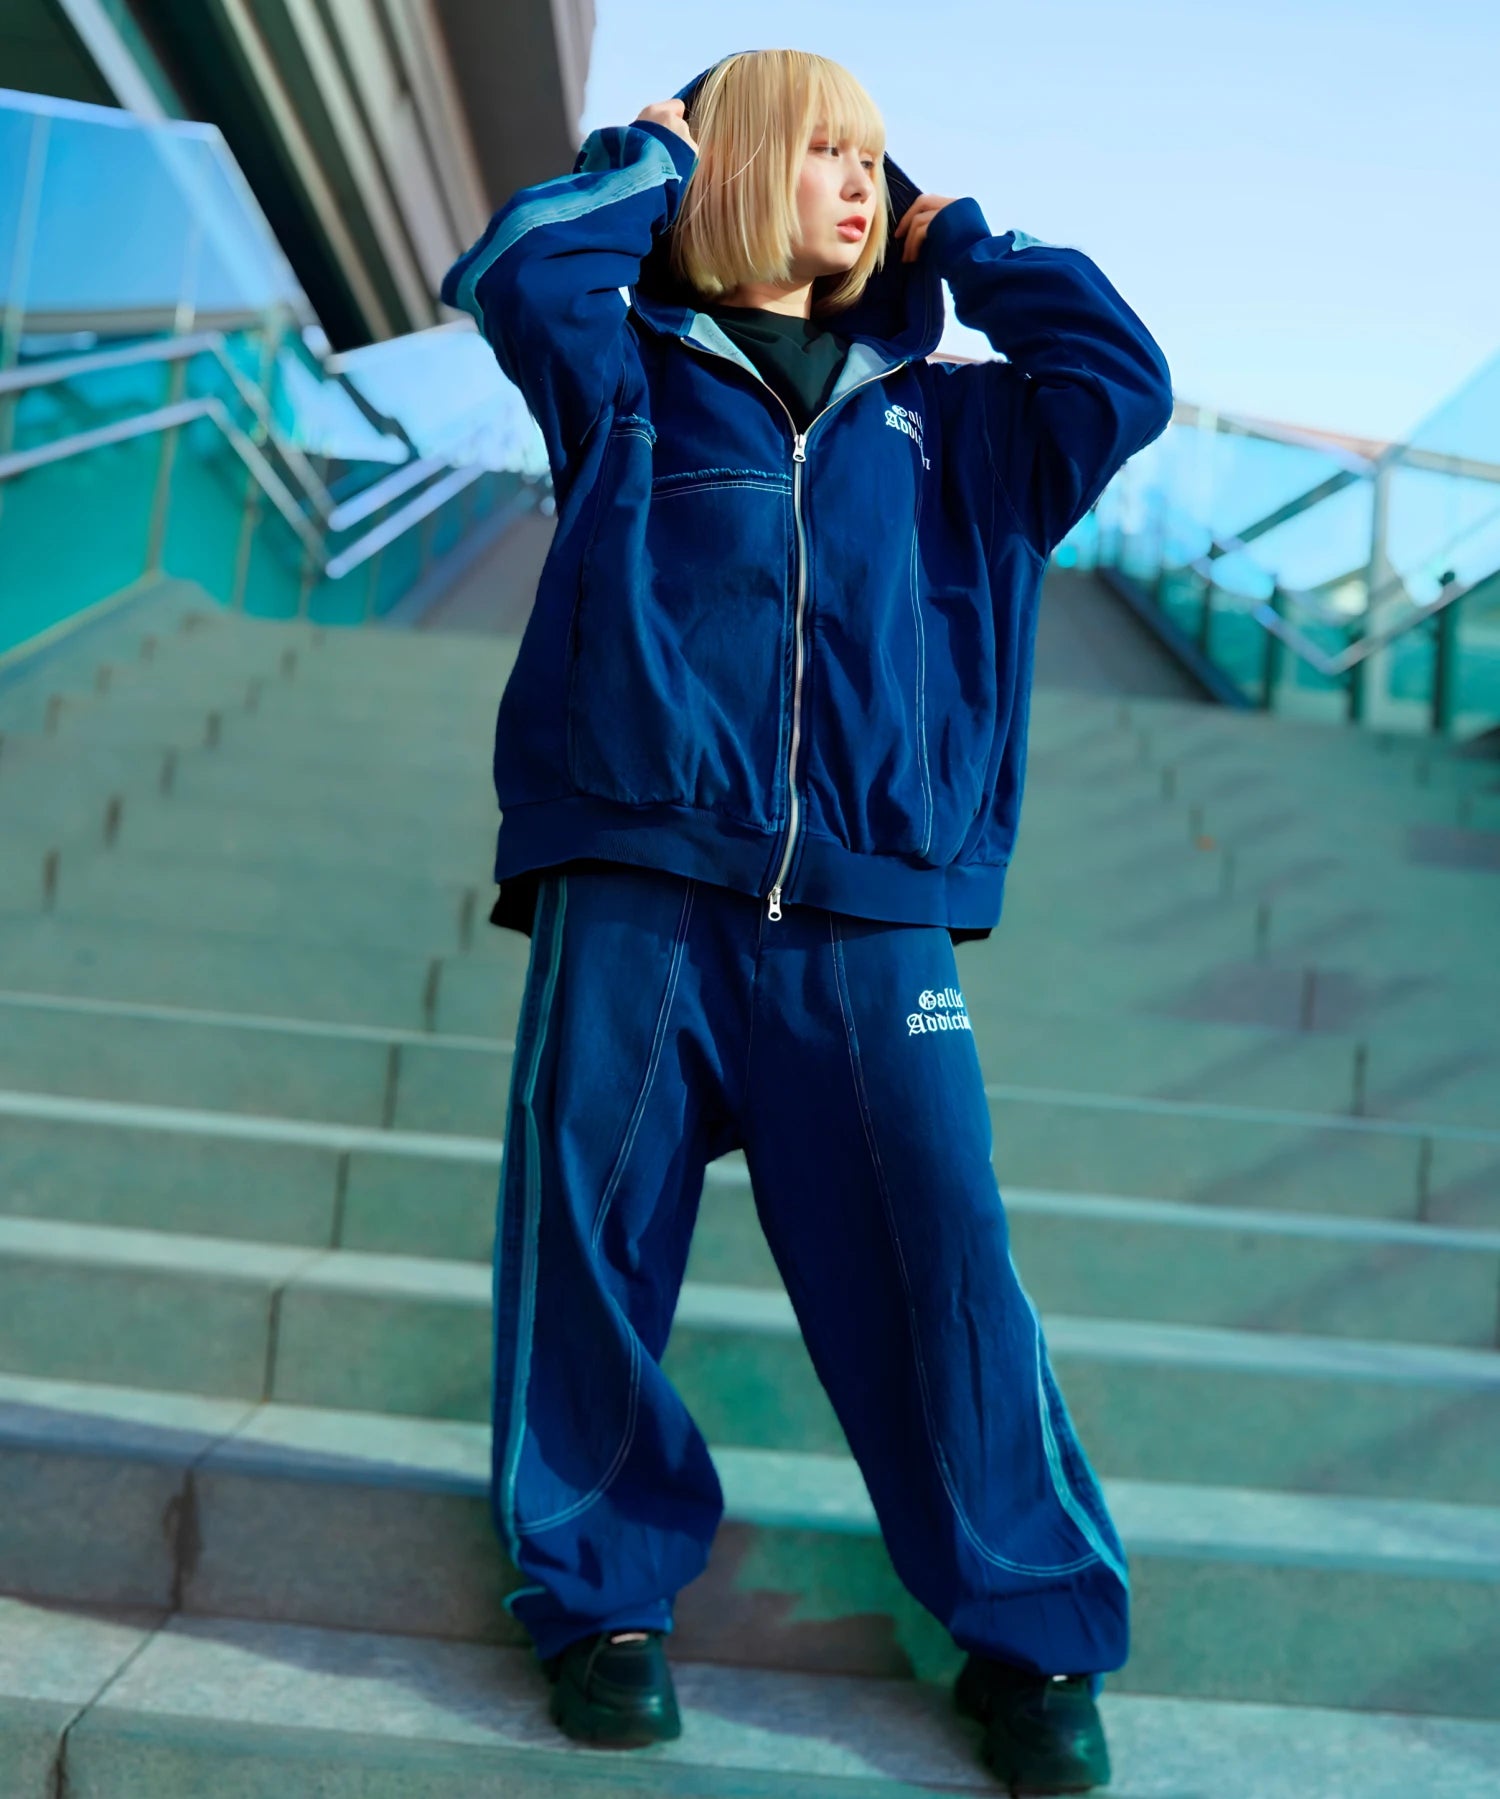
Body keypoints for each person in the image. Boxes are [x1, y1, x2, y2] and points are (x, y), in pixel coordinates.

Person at [441, 47, 1173, 1795]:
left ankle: (1030, 1634)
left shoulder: (963, 423)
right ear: (736, 166)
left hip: (866, 923)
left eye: (874, 159)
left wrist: (959, 238)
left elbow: (1121, 379)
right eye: (826, 151)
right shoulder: (625, 372)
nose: (862, 182)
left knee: (946, 1268)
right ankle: (602, 1604)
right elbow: (515, 274)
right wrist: (646, 158)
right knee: (587, 1250)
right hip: (639, 889)